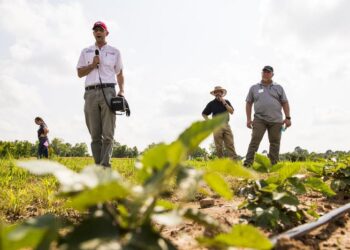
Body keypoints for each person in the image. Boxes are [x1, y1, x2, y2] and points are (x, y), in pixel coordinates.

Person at [76, 21, 124, 167]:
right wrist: (92, 65)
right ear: (93, 33)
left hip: (108, 91)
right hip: (90, 93)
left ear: (106, 33)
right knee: (95, 134)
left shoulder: (115, 52)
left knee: (108, 133)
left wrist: (121, 91)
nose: (98, 32)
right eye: (96, 30)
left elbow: (120, 73)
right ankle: (98, 166)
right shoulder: (86, 51)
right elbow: (79, 73)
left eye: (101, 30)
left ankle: (105, 166)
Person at [243, 66, 291, 166]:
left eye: (268, 72)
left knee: (275, 143)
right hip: (259, 119)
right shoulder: (254, 88)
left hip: (276, 120)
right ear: (261, 73)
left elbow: (285, 103)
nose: (266, 74)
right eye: (264, 72)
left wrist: (288, 118)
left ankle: (274, 164)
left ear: (272, 74)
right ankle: (248, 164)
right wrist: (248, 119)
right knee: (254, 141)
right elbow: (248, 103)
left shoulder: (278, 87)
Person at [202, 86, 238, 160]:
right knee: (219, 146)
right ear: (214, 94)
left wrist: (224, 102)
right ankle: (221, 162)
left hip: (226, 125)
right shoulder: (211, 104)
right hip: (216, 125)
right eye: (216, 92)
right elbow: (204, 114)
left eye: (219, 92)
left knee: (230, 144)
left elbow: (231, 111)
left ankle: (234, 163)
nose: (218, 93)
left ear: (222, 93)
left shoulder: (227, 101)